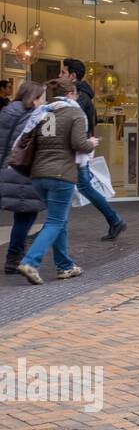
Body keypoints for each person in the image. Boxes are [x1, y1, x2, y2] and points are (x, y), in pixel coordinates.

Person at [14, 76, 99, 284]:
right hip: (61, 173)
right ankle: (31, 261)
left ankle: (65, 266)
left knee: (58, 220)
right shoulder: (75, 112)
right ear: (71, 94)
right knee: (55, 221)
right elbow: (79, 144)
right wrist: (92, 143)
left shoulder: (42, 112)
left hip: (38, 174)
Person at [59, 58, 126, 241]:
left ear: (72, 76)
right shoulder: (82, 95)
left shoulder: (79, 97)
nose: (59, 75)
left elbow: (72, 122)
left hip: (78, 150)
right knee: (78, 187)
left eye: (63, 72)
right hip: (78, 148)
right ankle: (114, 220)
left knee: (74, 187)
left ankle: (114, 220)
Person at [1, 80, 46, 275]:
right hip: (23, 171)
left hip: (6, 168)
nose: (44, 100)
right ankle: (14, 258)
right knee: (25, 216)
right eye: (42, 97)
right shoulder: (33, 117)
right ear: (34, 98)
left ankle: (16, 256)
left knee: (23, 215)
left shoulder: (7, 112)